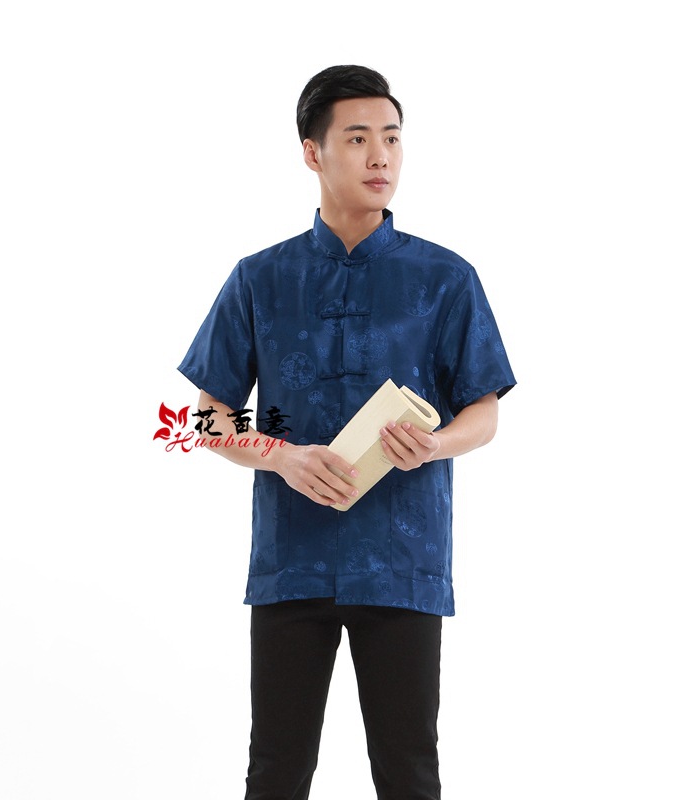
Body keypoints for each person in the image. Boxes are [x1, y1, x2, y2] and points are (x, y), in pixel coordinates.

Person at [179, 64, 516, 800]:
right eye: (358, 138)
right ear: (313, 152)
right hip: (291, 560)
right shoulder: (259, 278)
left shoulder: (445, 278)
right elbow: (206, 416)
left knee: (408, 772)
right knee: (276, 770)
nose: (380, 157)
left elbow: (484, 412)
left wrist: (435, 444)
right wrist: (280, 456)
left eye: (392, 138)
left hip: (403, 560)